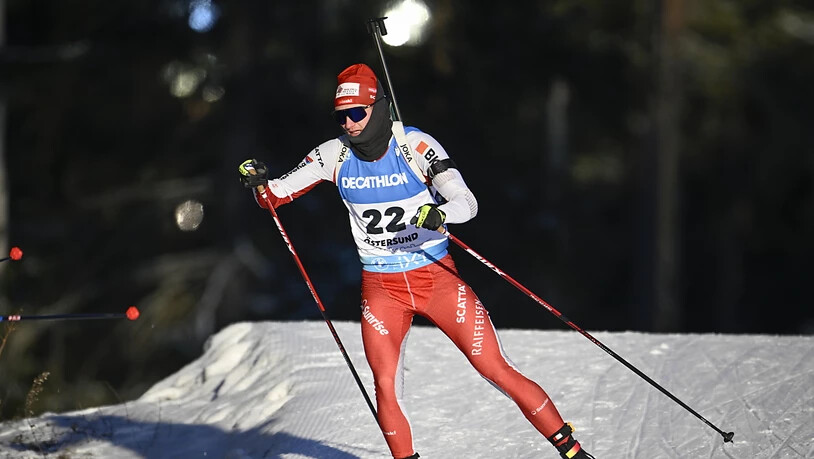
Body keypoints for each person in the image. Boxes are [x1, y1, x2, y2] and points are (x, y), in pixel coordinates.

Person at [239, 63, 594, 459]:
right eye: (342, 116)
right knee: (385, 385)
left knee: (495, 369)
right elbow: (275, 196)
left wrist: (441, 213)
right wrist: (257, 183)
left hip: (436, 278)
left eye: (357, 113)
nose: (350, 124)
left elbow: (467, 203)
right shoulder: (332, 154)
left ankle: (573, 451)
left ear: (377, 107)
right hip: (382, 288)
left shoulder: (414, 145)